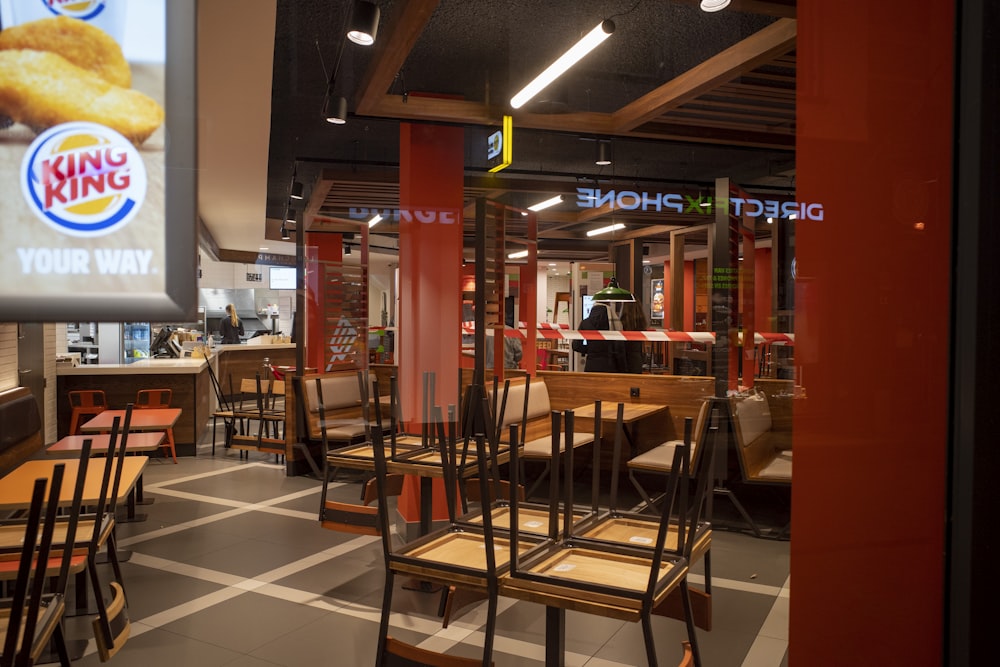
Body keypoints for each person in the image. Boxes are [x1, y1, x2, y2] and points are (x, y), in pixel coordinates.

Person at [572, 300, 645, 374]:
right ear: (608, 304)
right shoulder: (614, 322)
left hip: (591, 365)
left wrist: (592, 350)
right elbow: (619, 348)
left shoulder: (585, 323)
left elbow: (576, 345)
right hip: (610, 366)